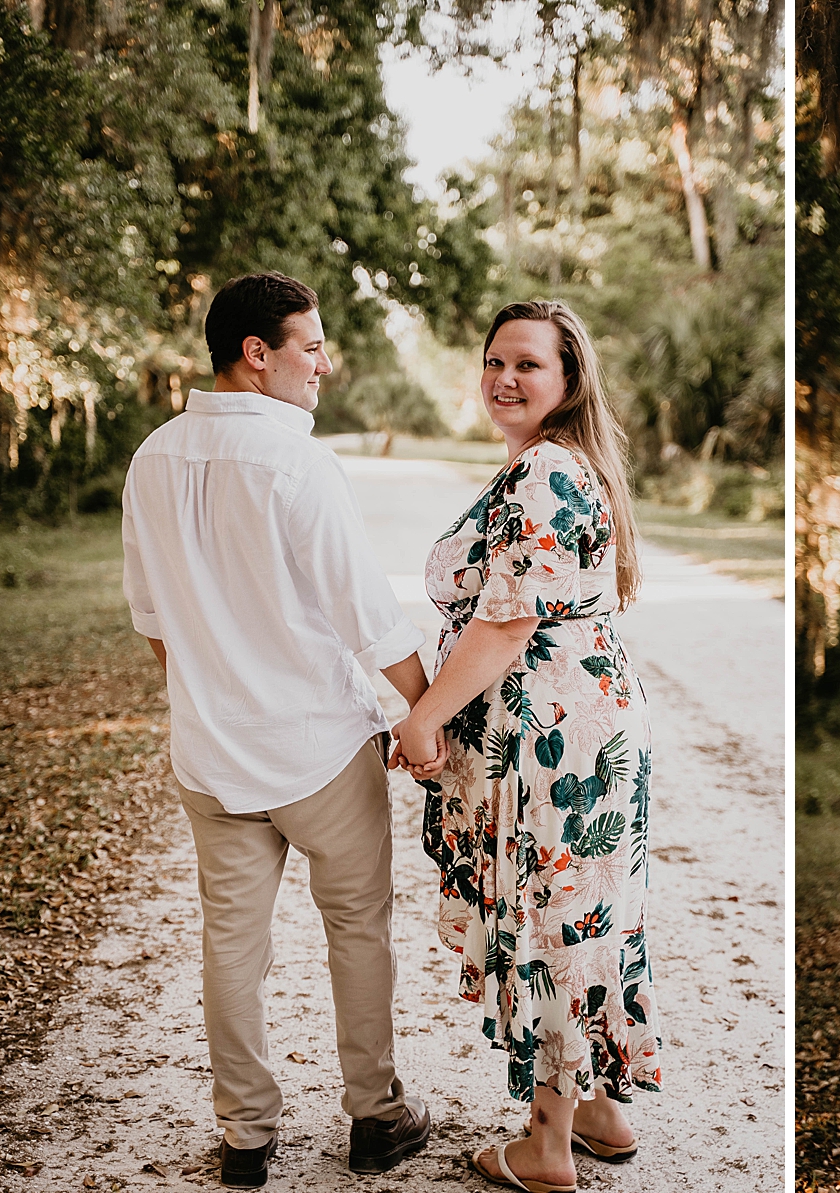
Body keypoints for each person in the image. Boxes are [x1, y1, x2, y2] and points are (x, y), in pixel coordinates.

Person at [120, 272, 441, 1188]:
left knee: (232, 942)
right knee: (358, 928)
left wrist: (213, 696)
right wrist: (422, 715)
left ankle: (246, 1135)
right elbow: (367, 614)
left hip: (211, 755)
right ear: (255, 354)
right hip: (318, 748)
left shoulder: (153, 457)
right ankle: (376, 1116)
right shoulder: (298, 463)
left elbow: (152, 619)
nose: (323, 364)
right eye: (311, 345)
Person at [398, 300, 660, 1191]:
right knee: (585, 910)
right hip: (577, 719)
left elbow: (507, 625)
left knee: (553, 917)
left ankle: (546, 1148)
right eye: (495, 361)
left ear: (568, 379)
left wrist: (426, 713)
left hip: (552, 737)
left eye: (528, 365)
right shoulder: (561, 463)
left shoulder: (548, 469)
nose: (505, 379)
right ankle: (597, 1110)